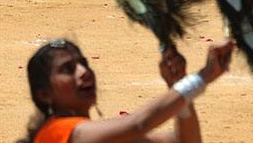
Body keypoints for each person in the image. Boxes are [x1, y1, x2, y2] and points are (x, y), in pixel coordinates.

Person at [21, 38, 234, 143]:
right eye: (67, 70)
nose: (84, 72)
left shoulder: (93, 134)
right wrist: (202, 77)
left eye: (84, 64)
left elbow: (185, 142)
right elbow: (139, 123)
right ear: (44, 94)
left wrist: (178, 85)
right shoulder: (58, 133)